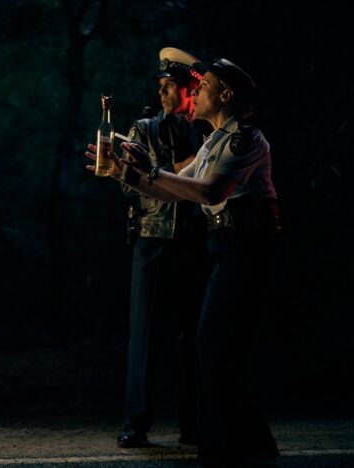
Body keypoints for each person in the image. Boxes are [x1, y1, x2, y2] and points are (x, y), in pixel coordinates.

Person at [86, 57, 280, 466]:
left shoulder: (245, 139)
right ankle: (251, 445)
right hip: (226, 246)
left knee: (215, 347)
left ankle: (229, 446)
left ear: (225, 94)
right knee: (218, 350)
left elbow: (208, 192)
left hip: (246, 246)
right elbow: (176, 191)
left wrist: (150, 171)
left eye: (204, 84)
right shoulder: (213, 142)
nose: (197, 90)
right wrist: (126, 174)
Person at [116, 47, 210, 448]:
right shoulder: (143, 129)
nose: (162, 92)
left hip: (193, 241)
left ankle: (194, 423)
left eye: (170, 85)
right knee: (145, 334)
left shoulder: (206, 130)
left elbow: (212, 184)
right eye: (161, 85)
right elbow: (129, 184)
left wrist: (162, 175)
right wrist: (177, 172)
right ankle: (136, 422)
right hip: (152, 239)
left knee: (195, 334)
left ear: (190, 88)